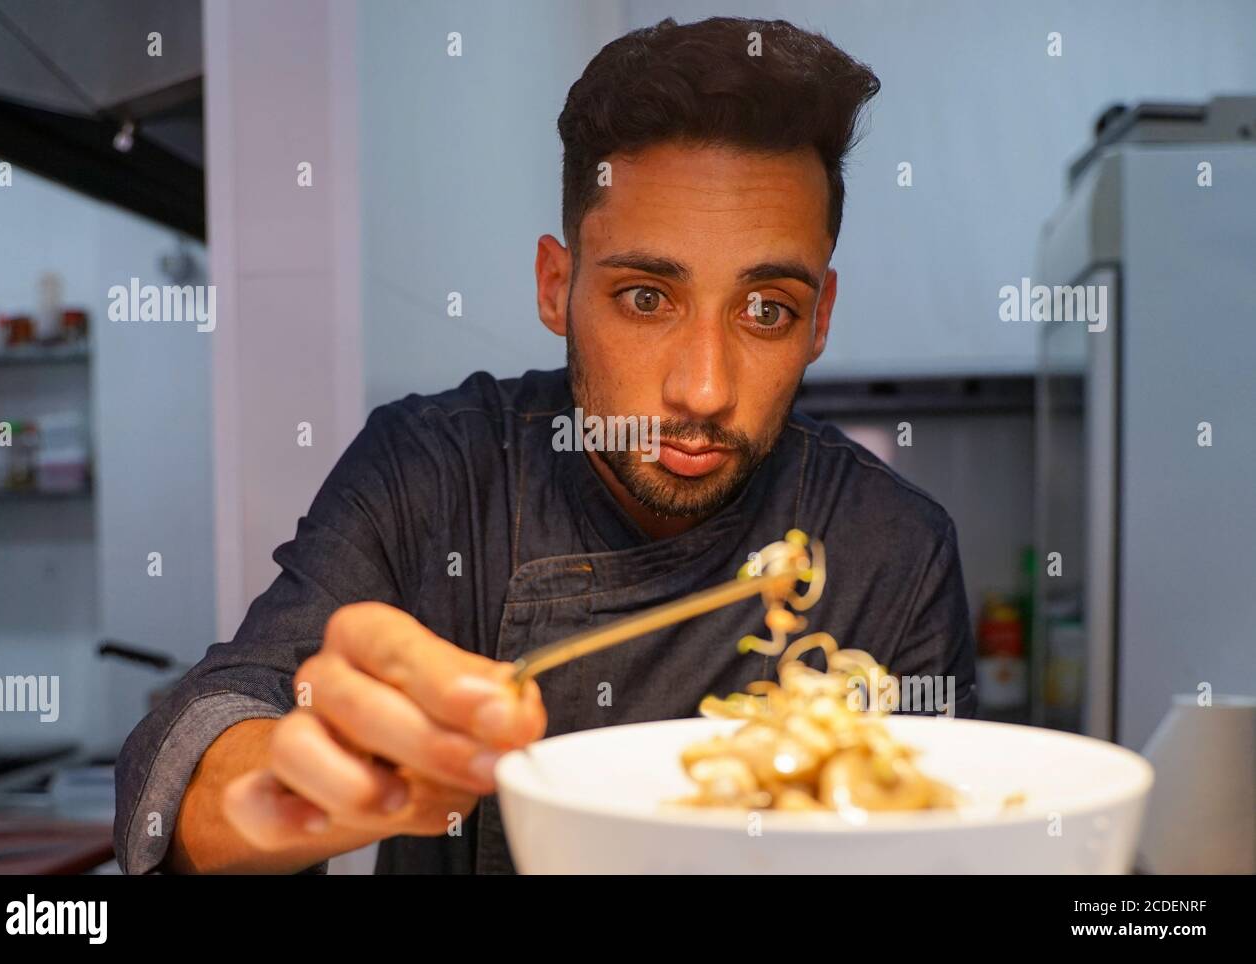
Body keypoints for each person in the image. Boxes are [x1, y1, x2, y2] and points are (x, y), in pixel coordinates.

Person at [115, 15, 977, 875]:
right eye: (646, 298)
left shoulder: (891, 548)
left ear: (819, 319)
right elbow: (217, 725)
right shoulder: (434, 472)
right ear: (556, 287)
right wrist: (285, 790)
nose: (705, 390)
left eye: (766, 311)